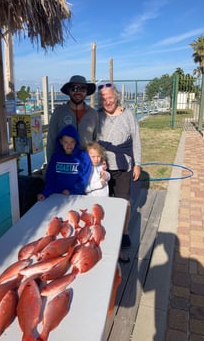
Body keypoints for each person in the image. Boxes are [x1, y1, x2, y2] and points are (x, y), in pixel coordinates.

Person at [97, 83, 142, 253]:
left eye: (110, 97)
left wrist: (138, 164)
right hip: (103, 166)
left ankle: (124, 232)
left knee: (124, 201)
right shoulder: (97, 116)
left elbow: (136, 140)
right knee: (104, 199)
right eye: (103, 98)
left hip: (124, 165)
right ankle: (106, 229)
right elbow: (91, 141)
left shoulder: (128, 114)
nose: (107, 101)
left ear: (116, 97)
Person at [46, 75, 98, 162]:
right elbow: (51, 142)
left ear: (86, 92)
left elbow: (96, 141)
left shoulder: (93, 114)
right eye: (74, 88)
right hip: (64, 165)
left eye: (82, 89)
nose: (78, 92)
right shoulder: (58, 113)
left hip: (86, 165)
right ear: (68, 91)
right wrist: (50, 166)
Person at [37, 125, 92, 201]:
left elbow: (84, 178)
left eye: (72, 142)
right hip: (56, 196)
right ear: (61, 142)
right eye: (66, 142)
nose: (69, 145)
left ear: (76, 142)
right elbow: (50, 177)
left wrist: (71, 191)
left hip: (76, 196)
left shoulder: (83, 156)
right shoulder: (55, 157)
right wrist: (45, 193)